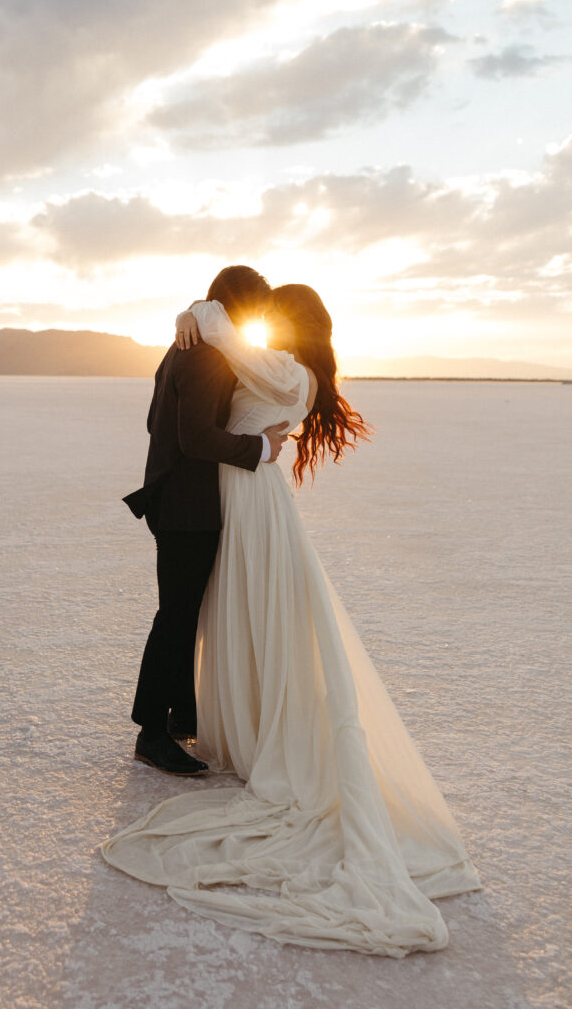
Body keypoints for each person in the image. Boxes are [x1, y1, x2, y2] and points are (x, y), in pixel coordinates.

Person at [102, 284, 482, 955]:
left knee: (221, 609)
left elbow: (222, 348)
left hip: (243, 498)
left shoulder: (277, 367)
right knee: (210, 610)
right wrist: (193, 315)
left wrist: (199, 315)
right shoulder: (255, 359)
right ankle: (182, 720)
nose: (265, 320)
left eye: (276, 313)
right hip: (224, 498)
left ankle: (188, 722)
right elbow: (199, 404)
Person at [122, 265, 291, 777]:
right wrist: (261, 446)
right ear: (237, 309)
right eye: (255, 313)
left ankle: (178, 715)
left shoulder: (187, 342)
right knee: (176, 616)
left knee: (185, 612)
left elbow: (158, 421)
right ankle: (152, 733)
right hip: (185, 505)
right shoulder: (206, 355)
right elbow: (195, 437)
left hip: (177, 499)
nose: (255, 322)